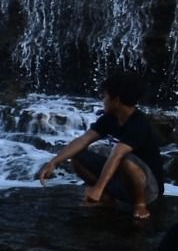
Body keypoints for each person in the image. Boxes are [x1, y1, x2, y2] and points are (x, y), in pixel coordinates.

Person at [38, 71, 165, 220]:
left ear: (116, 100)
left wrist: (97, 188)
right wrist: (54, 162)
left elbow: (117, 155)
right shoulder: (110, 118)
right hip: (123, 181)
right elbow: (84, 139)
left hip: (149, 188)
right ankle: (106, 197)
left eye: (105, 96)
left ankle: (139, 205)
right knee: (78, 156)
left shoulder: (139, 124)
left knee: (126, 160)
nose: (103, 100)